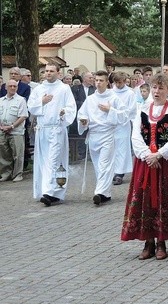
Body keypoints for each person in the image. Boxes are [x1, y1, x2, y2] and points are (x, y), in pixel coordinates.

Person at [121, 74, 168, 260]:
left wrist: (160, 154)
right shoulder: (142, 110)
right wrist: (146, 155)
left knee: (164, 199)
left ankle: (162, 242)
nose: (157, 92)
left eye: (161, 88)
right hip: (145, 162)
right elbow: (136, 136)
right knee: (144, 198)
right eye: (154, 88)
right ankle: (148, 241)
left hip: (165, 163)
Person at [28, 62, 76, 206]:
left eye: (51, 71)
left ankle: (49, 192)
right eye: (46, 71)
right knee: (43, 161)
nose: (48, 73)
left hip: (57, 129)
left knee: (53, 160)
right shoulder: (39, 89)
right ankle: (51, 192)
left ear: (58, 73)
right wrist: (41, 102)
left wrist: (64, 112)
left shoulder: (64, 88)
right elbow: (31, 107)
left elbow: (71, 107)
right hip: (42, 130)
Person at [77, 71, 127, 205]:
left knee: (105, 164)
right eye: (96, 80)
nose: (98, 83)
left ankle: (99, 192)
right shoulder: (90, 99)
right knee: (98, 166)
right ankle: (105, 193)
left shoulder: (114, 98)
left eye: (101, 80)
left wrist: (110, 110)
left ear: (107, 82)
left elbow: (124, 116)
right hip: (93, 134)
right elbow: (82, 114)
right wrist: (83, 121)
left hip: (107, 134)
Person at [112, 72, 138, 185]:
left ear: (124, 81)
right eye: (116, 82)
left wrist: (120, 114)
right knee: (112, 149)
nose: (118, 85)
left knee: (122, 149)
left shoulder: (130, 93)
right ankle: (113, 171)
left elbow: (132, 109)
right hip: (112, 124)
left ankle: (120, 173)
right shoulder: (111, 93)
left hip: (123, 124)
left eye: (120, 82)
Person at [0, 80, 29, 182]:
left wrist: (11, 126)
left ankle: (17, 174)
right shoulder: (1, 101)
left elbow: (23, 116)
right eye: (10, 86)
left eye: (15, 86)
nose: (12, 88)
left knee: (18, 154)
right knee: (4, 155)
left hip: (16, 131)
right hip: (2, 131)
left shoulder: (21, 100)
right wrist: (2, 127)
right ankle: (5, 174)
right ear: (5, 88)